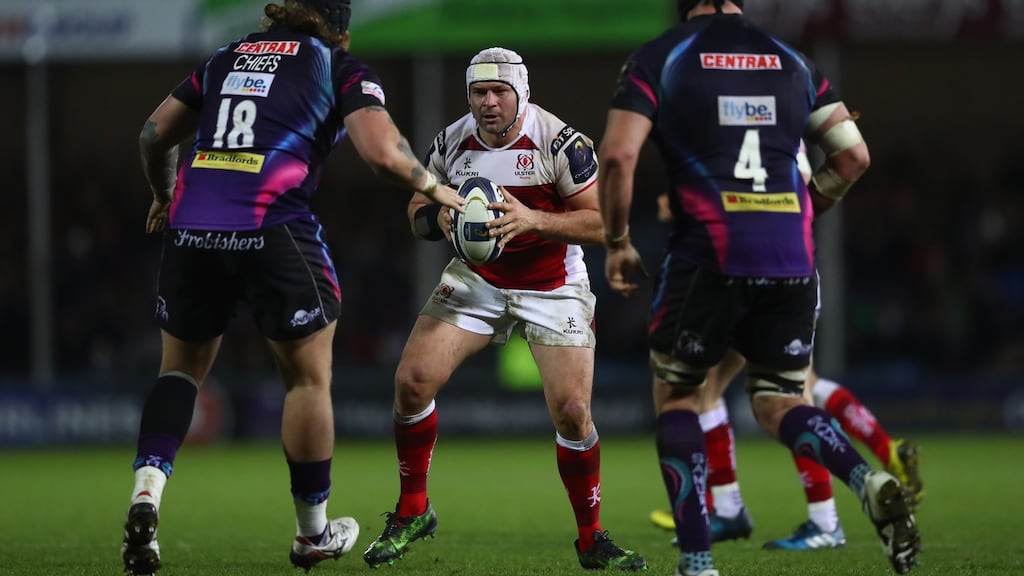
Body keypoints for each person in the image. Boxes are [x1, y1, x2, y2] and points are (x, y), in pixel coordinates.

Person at [121, 1, 465, 574]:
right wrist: (435, 186)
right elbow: (382, 153)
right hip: (271, 225)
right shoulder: (337, 64)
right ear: (342, 29)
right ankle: (312, 535)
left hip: (192, 227)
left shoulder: (225, 58)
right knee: (307, 380)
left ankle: (146, 497)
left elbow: (154, 134)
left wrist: (162, 193)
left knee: (179, 372)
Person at [596, 2, 921, 575]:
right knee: (780, 400)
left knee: (679, 397)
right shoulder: (794, 61)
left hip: (709, 254)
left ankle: (698, 561)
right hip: (792, 258)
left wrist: (619, 240)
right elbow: (853, 157)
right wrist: (801, 208)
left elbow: (619, 156)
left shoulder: (662, 56)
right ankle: (866, 479)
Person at [360, 47, 647, 571]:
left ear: (522, 93)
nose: (488, 103)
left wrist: (534, 220)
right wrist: (437, 222)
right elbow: (416, 209)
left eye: (499, 92)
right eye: (478, 92)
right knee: (411, 381)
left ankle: (591, 538)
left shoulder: (561, 143)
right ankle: (413, 509)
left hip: (553, 284)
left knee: (573, 413)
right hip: (480, 280)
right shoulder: (451, 140)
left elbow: (606, 222)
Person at [648, 157, 924, 551]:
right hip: (789, 264)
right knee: (776, 390)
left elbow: (839, 163)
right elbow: (840, 163)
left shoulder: (739, 118)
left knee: (781, 396)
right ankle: (735, 507)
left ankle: (821, 517)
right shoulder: (779, 113)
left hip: (749, 267)